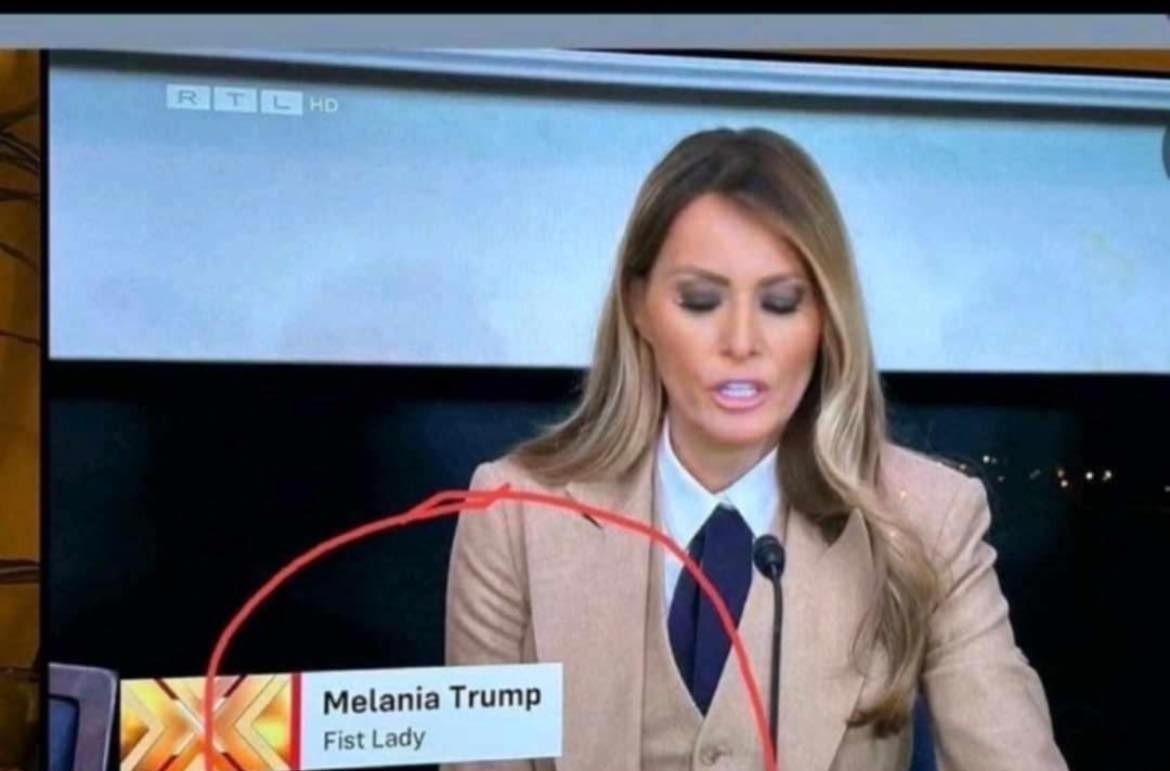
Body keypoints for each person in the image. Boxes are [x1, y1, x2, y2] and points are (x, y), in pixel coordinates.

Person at [443, 127, 1068, 771]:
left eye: (780, 303)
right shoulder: (512, 514)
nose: (742, 341)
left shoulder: (930, 517)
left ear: (825, 320)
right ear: (638, 307)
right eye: (701, 301)